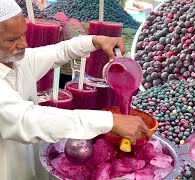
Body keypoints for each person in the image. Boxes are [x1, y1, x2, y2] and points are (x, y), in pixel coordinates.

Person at [0, 0, 150, 179]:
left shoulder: (18, 61)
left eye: (23, 35)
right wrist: (109, 121)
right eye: (12, 39)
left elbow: (59, 51)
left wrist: (96, 40)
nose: (24, 44)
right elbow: (27, 119)